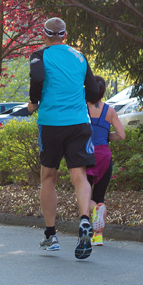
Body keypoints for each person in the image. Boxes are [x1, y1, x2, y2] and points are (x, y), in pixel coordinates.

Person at [29, 17, 101, 259]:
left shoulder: (39, 56)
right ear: (65, 36)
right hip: (79, 123)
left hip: (51, 123)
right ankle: (83, 219)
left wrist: (33, 102)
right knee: (79, 174)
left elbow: (38, 80)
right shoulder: (80, 57)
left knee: (48, 176)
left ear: (45, 35)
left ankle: (51, 235)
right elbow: (92, 91)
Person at [86, 77, 125, 246]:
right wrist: (106, 136)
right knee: (99, 196)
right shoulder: (110, 111)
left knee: (84, 196)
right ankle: (98, 237)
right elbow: (122, 135)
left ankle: (94, 213)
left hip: (86, 155)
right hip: (104, 156)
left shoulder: (82, 107)